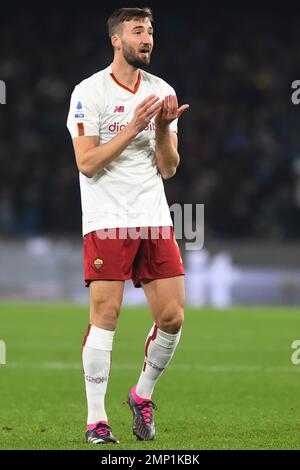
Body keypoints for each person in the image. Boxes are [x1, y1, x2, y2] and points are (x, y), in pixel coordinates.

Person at [67, 7, 189, 444]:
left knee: (173, 317)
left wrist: (162, 129)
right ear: (116, 40)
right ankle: (96, 420)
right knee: (107, 314)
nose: (148, 38)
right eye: (138, 31)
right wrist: (133, 126)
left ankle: (142, 396)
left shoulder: (162, 91)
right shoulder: (89, 92)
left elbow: (169, 168)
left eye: (151, 31)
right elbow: (87, 162)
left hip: (154, 218)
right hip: (107, 218)